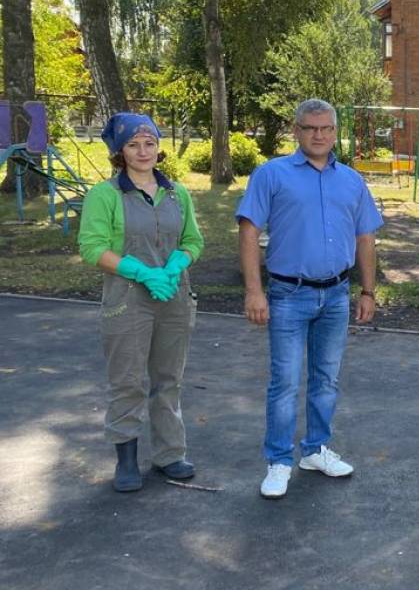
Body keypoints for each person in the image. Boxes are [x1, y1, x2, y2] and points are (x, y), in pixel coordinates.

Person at [236, 98, 383, 499]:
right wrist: (254, 290)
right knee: (284, 383)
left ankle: (316, 449)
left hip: (336, 294)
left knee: (326, 379)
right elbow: (249, 232)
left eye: (326, 129)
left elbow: (365, 237)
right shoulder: (271, 175)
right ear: (296, 131)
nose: (318, 135)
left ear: (335, 132)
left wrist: (367, 290)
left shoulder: (351, 180)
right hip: (287, 293)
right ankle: (279, 460)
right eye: (310, 128)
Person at [78, 112, 204, 492]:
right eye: (133, 144)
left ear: (159, 146)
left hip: (174, 297)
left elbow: (193, 241)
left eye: (149, 142)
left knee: (169, 380)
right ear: (119, 150)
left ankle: (169, 454)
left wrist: (176, 264)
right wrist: (141, 271)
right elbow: (91, 248)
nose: (143, 150)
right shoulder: (106, 195)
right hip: (127, 300)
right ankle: (127, 459)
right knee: (128, 381)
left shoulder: (176, 192)